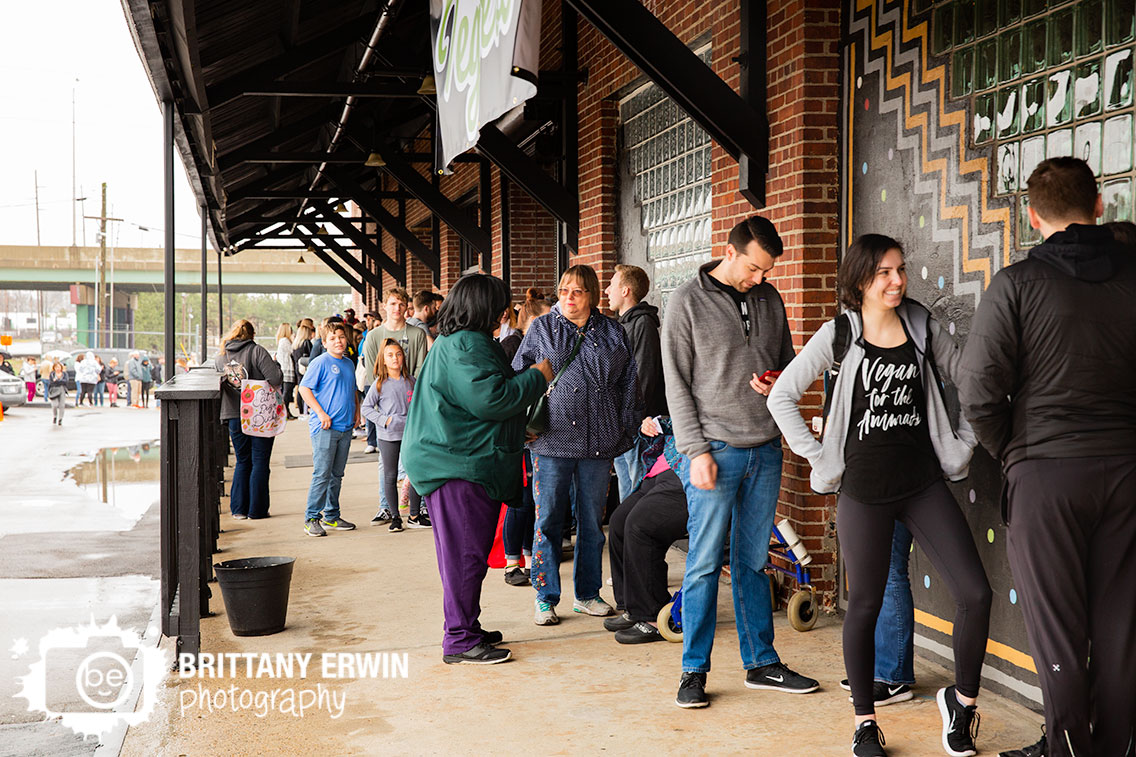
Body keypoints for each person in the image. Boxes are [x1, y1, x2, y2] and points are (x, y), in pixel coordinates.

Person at [769, 234, 992, 756]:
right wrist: (818, 456)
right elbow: (782, 396)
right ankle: (865, 723)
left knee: (975, 594)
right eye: (885, 273)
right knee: (866, 603)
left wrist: (966, 440)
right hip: (864, 492)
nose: (897, 281)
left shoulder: (920, 326)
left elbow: (972, 381)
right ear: (861, 280)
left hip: (921, 485)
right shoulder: (839, 335)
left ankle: (963, 703)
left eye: (901, 270)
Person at [958, 157, 1136, 757]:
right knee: (1121, 633)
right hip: (1127, 473)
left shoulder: (1014, 283)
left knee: (1060, 635)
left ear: (1032, 217)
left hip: (1044, 476)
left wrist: (1017, 452)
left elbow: (978, 391)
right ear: (1100, 206)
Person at [661, 215, 817, 709]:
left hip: (766, 450)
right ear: (730, 253)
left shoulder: (770, 299)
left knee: (753, 563)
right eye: (754, 268)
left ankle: (762, 663)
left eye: (767, 271)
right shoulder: (685, 302)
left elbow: (790, 362)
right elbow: (676, 384)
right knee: (704, 564)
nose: (760, 279)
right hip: (716, 451)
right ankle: (693, 671)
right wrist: (696, 451)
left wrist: (780, 384)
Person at [402, 273, 553, 664]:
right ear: (484, 306)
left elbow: (480, 403)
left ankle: (465, 625)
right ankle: (460, 640)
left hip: (457, 460)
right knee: (465, 557)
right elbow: (491, 400)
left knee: (464, 554)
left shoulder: (461, 342)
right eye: (502, 303)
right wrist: (538, 377)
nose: (507, 310)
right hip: (458, 466)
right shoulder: (467, 343)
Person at [513, 264, 641, 626]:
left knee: (591, 524)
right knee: (549, 519)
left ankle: (587, 594)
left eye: (577, 291)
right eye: (564, 290)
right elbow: (519, 375)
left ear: (592, 295)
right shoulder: (541, 328)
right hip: (551, 441)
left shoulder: (613, 332)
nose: (568, 298)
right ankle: (544, 596)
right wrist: (521, 422)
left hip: (598, 441)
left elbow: (629, 382)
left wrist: (626, 428)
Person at [604, 415, 688, 644]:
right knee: (619, 522)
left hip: (688, 475)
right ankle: (632, 606)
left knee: (641, 527)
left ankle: (653, 617)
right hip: (663, 468)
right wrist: (654, 423)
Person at [499, 289, 551, 585]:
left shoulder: (545, 346)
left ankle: (530, 557)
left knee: (533, 500)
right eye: (546, 319)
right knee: (519, 501)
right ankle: (511, 562)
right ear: (530, 320)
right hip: (518, 436)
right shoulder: (511, 345)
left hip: (537, 434)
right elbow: (507, 392)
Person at [606, 263, 667, 501]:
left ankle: (634, 537)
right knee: (625, 486)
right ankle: (624, 537)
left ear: (625, 291)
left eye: (612, 284)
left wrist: (634, 418)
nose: (607, 291)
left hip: (638, 427)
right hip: (622, 425)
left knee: (635, 489)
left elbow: (645, 375)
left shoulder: (643, 324)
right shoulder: (623, 325)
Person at [215, 320, 283, 520]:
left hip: (234, 414)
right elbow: (275, 378)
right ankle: (257, 510)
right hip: (259, 414)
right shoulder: (257, 351)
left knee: (242, 460)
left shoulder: (221, 356)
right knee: (260, 461)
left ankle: (238, 510)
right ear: (252, 334)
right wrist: (275, 364)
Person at [297, 321, 359, 537]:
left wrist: (357, 412)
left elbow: (352, 390)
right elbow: (304, 389)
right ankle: (311, 518)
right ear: (324, 343)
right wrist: (321, 413)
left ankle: (332, 516)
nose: (338, 341)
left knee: (336, 474)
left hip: (345, 426)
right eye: (332, 338)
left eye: (341, 337)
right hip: (325, 427)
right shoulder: (320, 362)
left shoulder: (349, 363)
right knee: (322, 473)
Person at [361, 339, 427, 532]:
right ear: (383, 359)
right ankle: (395, 518)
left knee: (415, 473)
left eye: (398, 354)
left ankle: (414, 515)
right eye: (390, 355)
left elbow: (419, 405)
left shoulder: (411, 381)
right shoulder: (379, 384)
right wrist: (385, 421)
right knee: (390, 476)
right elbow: (366, 408)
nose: (395, 358)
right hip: (388, 436)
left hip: (411, 435)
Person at [361, 288, 429, 378]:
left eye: (401, 304)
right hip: (382, 390)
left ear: (406, 308)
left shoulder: (418, 334)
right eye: (393, 304)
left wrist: (409, 389)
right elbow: (372, 371)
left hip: (411, 390)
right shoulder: (372, 336)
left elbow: (420, 368)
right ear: (384, 306)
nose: (397, 308)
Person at [274, 323, 298, 420]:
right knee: (287, 392)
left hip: (284, 368)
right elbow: (293, 351)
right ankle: (284, 412)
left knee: (286, 391)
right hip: (286, 369)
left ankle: (286, 412)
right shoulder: (285, 341)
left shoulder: (281, 341)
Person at [291, 324, 314, 415]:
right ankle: (305, 409)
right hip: (305, 367)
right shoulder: (306, 342)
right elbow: (311, 355)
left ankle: (301, 409)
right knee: (306, 388)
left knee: (300, 388)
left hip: (298, 367)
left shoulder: (296, 343)